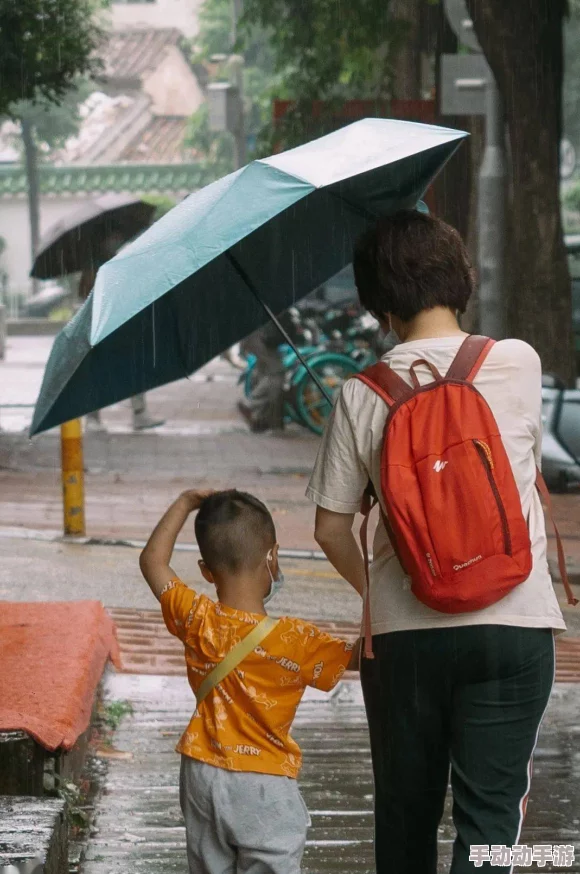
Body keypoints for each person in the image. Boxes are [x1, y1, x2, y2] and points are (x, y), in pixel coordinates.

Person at [306, 210, 567, 874]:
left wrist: (388, 586)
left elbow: (331, 528)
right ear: (459, 277)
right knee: (489, 821)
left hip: (405, 638)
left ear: (377, 304)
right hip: (514, 622)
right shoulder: (516, 361)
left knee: (405, 815)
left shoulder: (360, 395)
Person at [139, 488, 359, 874]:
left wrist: (184, 503)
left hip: (201, 773)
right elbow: (365, 655)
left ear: (207, 571)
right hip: (264, 781)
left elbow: (153, 561)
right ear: (272, 556)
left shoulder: (196, 618)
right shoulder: (296, 640)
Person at [78, 232, 164, 432]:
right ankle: (97, 417)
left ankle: (136, 414)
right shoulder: (100, 266)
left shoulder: (107, 264)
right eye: (112, 237)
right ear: (103, 241)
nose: (117, 240)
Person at [238, 321, 286, 433]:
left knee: (263, 371)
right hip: (261, 334)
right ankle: (251, 405)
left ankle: (260, 419)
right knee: (275, 372)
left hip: (255, 335)